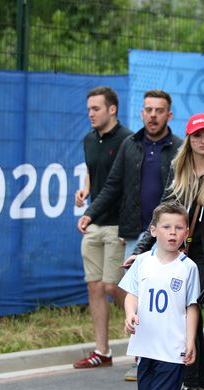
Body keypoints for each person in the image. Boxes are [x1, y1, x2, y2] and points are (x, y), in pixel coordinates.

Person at [127, 112, 204, 390]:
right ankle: (194, 386)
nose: (203, 140)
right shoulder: (179, 171)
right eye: (197, 135)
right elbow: (163, 216)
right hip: (183, 255)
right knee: (187, 314)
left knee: (199, 314)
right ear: (188, 139)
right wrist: (141, 250)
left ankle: (202, 385)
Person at [75, 90, 182, 373]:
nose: (153, 115)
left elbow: (182, 192)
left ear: (169, 115)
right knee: (138, 292)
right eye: (148, 110)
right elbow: (112, 185)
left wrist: (176, 229)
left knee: (165, 296)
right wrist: (90, 212)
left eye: (159, 110)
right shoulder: (131, 145)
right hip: (136, 230)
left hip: (170, 233)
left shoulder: (179, 147)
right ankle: (143, 357)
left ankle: (171, 355)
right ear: (142, 113)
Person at [119, 202, 200, 390]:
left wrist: (190, 341)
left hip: (172, 348)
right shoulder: (142, 262)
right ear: (154, 230)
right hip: (146, 345)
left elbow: (191, 306)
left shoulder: (188, 268)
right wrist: (130, 314)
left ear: (186, 231)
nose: (173, 233)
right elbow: (132, 294)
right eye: (166, 227)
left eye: (179, 228)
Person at [72, 86, 133, 372]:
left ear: (112, 109)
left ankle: (146, 335)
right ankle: (102, 351)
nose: (90, 114)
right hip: (94, 221)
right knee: (95, 286)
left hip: (118, 225)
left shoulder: (128, 140)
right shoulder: (88, 139)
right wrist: (85, 191)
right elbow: (92, 171)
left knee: (113, 285)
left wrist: (129, 223)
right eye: (88, 109)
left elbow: (127, 183)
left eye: (95, 109)